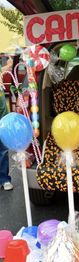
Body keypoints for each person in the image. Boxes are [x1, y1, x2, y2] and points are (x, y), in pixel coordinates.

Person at [0, 57, 13, 190]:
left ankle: (4, 180)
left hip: (2, 120)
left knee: (3, 150)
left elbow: (4, 69)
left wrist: (9, 64)